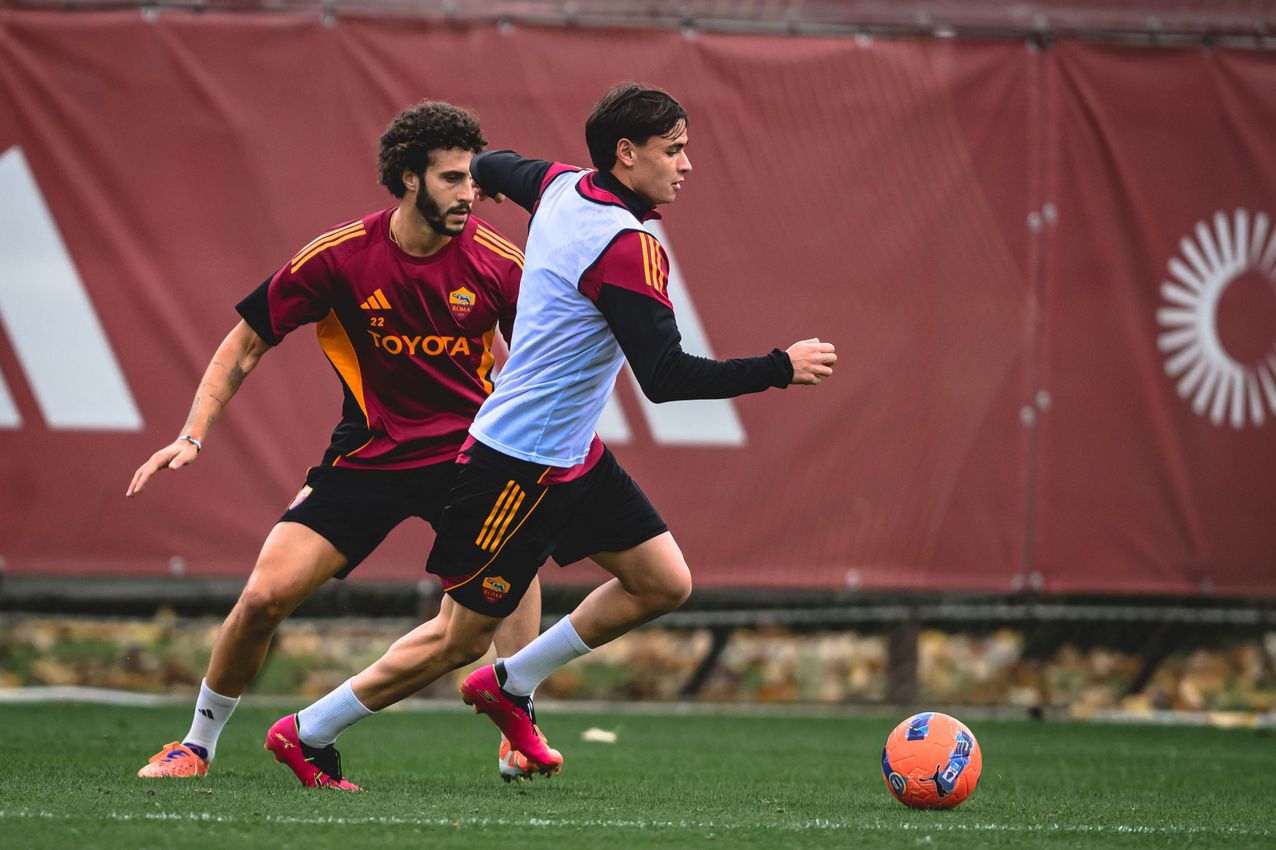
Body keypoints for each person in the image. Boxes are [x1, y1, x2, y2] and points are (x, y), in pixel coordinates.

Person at [268, 82, 836, 786]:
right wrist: (779, 367)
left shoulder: (563, 184)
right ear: (626, 155)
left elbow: (499, 164)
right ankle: (306, 731)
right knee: (457, 639)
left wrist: (485, 176)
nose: (687, 165)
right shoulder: (627, 248)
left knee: (663, 582)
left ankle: (508, 686)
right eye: (674, 151)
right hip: (515, 463)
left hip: (571, 454)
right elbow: (662, 377)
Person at [129, 100, 550, 787]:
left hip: (471, 456)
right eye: (451, 179)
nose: (469, 196)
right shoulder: (340, 256)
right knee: (264, 596)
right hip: (369, 456)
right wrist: (192, 435)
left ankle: (518, 725)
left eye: (474, 181)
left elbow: (543, 357)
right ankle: (195, 745)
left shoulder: (501, 263)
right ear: (409, 178)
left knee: (513, 565)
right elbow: (244, 346)